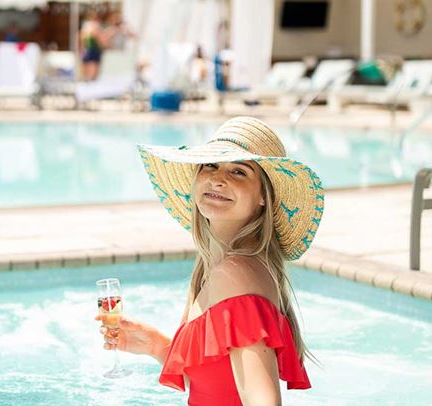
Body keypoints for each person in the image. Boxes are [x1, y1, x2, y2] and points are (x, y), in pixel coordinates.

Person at [95, 116, 323, 405]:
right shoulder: (218, 267)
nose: (218, 178)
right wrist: (156, 345)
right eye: (211, 165)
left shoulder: (233, 275)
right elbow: (215, 383)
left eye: (239, 171)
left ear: (264, 196)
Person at [79, 13, 105, 81]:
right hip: (89, 47)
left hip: (92, 48)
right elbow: (98, 37)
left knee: (93, 64)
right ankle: (88, 79)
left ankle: (91, 79)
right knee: (89, 63)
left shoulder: (91, 26)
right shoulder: (90, 26)